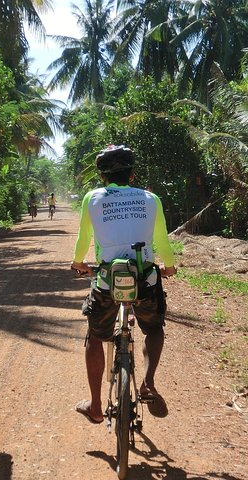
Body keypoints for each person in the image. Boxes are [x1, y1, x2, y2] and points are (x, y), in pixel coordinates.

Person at [70, 145, 177, 424]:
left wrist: (78, 262)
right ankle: (148, 382)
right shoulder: (150, 198)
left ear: (102, 177)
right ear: (132, 174)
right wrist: (168, 265)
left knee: (95, 336)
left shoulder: (92, 198)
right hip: (146, 279)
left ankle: (95, 405)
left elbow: (84, 239)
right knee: (153, 327)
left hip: (108, 280)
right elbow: (162, 240)